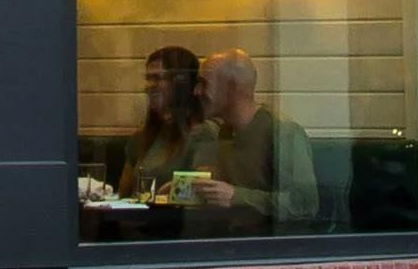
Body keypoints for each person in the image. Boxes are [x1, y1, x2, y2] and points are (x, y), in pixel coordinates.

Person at [177, 46, 325, 231]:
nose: (196, 92)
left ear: (231, 88)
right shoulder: (224, 131)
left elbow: (304, 205)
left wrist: (235, 196)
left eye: (204, 83)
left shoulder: (283, 132)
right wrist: (183, 187)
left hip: (273, 249)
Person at [118, 43, 211, 200]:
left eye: (158, 78)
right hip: (138, 219)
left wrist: (165, 193)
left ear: (182, 83)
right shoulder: (142, 137)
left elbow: (203, 190)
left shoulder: (204, 134)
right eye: (148, 78)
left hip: (177, 222)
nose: (149, 86)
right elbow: (124, 194)